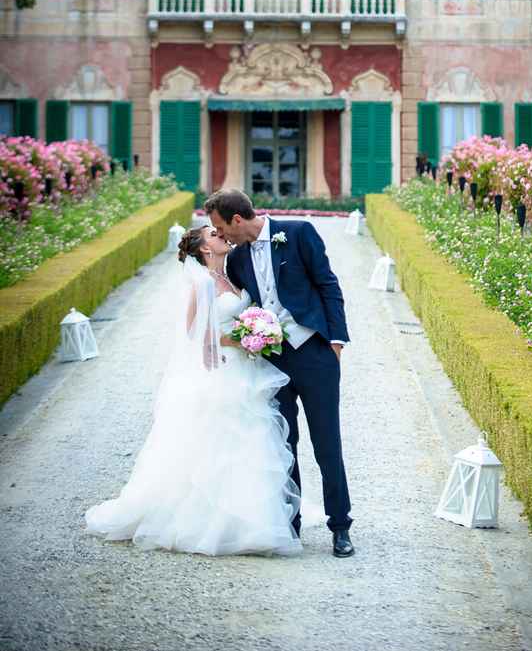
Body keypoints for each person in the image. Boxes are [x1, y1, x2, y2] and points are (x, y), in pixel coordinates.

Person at [84, 226, 301, 557]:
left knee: (252, 439)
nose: (221, 236)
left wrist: (259, 329)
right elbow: (194, 332)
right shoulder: (201, 283)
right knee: (219, 441)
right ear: (204, 249)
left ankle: (254, 522)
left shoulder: (230, 275)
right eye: (214, 235)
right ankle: (209, 523)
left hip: (246, 368)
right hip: (221, 370)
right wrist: (245, 337)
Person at [205, 189, 354, 558]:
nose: (221, 235)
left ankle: (340, 527)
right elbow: (238, 305)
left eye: (221, 228)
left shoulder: (299, 232)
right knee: (283, 446)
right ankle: (292, 524)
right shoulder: (237, 259)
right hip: (271, 361)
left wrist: (335, 341)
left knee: (327, 445)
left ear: (237, 219)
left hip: (315, 354)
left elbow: (328, 286)